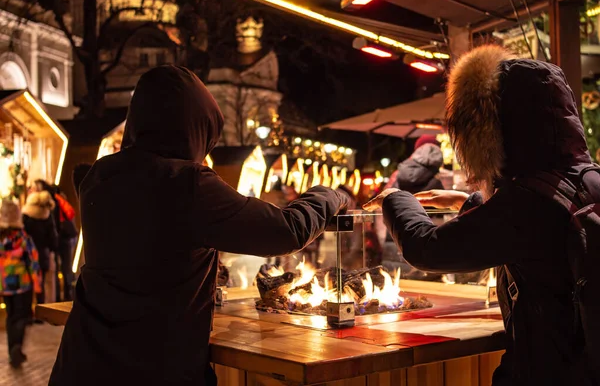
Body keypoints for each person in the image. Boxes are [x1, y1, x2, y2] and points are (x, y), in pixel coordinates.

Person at [49, 65, 348, 386]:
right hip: (152, 369)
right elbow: (286, 231)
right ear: (193, 127)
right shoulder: (185, 183)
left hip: (82, 363)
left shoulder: (99, 176)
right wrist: (331, 194)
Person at [365, 45, 600, 385]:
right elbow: (536, 233)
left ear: (497, 127)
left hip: (547, 372)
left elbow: (429, 247)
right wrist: (469, 199)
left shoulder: (527, 202)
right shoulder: (588, 179)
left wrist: (395, 198)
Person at [0, 199, 41, 368]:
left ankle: (12, 350)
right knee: (22, 315)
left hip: (5, 285)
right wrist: (37, 282)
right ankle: (16, 346)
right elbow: (32, 259)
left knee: (11, 316)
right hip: (22, 284)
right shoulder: (22, 237)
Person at [22, 191, 58, 305]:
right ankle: (44, 307)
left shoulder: (25, 216)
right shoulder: (47, 215)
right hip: (43, 253)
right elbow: (53, 238)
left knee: (28, 281)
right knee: (44, 282)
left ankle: (30, 309)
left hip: (28, 254)